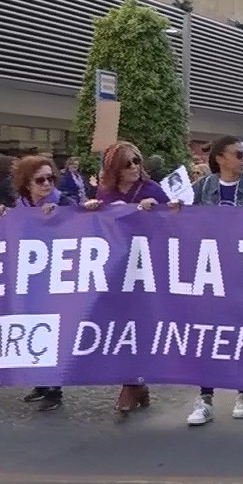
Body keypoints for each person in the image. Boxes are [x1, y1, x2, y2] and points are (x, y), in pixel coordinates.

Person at [173, 136, 243, 426]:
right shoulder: (202, 187)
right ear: (220, 158)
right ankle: (205, 398)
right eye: (239, 154)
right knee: (208, 333)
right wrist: (175, 210)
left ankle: (242, 393)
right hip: (210, 270)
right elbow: (184, 220)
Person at [81, 142, 168, 413]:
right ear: (114, 168)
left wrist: (156, 211)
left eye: (137, 161)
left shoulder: (151, 190)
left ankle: (131, 384)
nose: (134, 167)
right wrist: (90, 210)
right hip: (115, 269)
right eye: (127, 163)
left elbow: (173, 223)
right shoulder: (105, 192)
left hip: (145, 269)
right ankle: (135, 384)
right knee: (119, 326)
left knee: (138, 325)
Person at [0, 155, 79, 412]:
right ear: (26, 183)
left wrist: (61, 217)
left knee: (55, 332)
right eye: (40, 180)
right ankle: (41, 382)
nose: (47, 184)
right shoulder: (19, 207)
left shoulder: (64, 203)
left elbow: (81, 228)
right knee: (34, 328)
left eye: (50, 178)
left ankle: (55, 388)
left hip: (57, 279)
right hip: (30, 278)